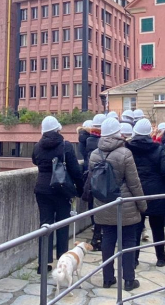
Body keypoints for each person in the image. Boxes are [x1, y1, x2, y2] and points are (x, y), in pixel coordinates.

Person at [88, 117, 147, 291]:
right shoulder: (125, 153)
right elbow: (134, 182)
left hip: (103, 202)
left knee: (107, 239)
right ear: (117, 133)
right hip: (123, 203)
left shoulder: (94, 154)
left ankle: (107, 278)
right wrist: (142, 205)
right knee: (128, 240)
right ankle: (129, 280)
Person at [32, 116, 84, 267]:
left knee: (45, 225)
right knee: (62, 226)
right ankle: (62, 262)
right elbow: (75, 170)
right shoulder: (65, 145)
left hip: (42, 190)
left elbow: (35, 161)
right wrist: (79, 190)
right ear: (58, 129)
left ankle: (43, 264)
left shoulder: (37, 146)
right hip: (61, 190)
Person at [127, 119, 165, 266]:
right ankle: (161, 258)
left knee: (136, 227)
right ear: (149, 133)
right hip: (156, 192)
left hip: (135, 192)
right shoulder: (158, 149)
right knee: (158, 227)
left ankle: (133, 259)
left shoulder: (128, 148)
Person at [84, 114, 106, 251]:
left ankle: (96, 234)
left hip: (91, 178)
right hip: (103, 178)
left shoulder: (88, 140)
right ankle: (98, 237)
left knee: (93, 206)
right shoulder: (99, 143)